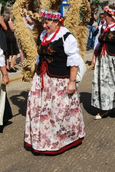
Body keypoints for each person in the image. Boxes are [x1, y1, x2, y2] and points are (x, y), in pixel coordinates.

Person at [24, 9, 85, 155]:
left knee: (59, 112)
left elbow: (73, 62)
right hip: (43, 79)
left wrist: (72, 82)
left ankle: (64, 139)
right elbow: (39, 56)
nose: (44, 25)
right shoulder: (43, 35)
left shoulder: (66, 37)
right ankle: (43, 141)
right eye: (43, 22)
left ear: (57, 22)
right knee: (41, 110)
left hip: (60, 80)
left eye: (47, 22)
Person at [3, 5, 19, 72]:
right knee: (15, 53)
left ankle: (7, 66)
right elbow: (12, 29)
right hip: (11, 37)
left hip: (5, 36)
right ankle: (12, 66)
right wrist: (16, 26)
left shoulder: (3, 18)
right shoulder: (9, 18)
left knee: (7, 53)